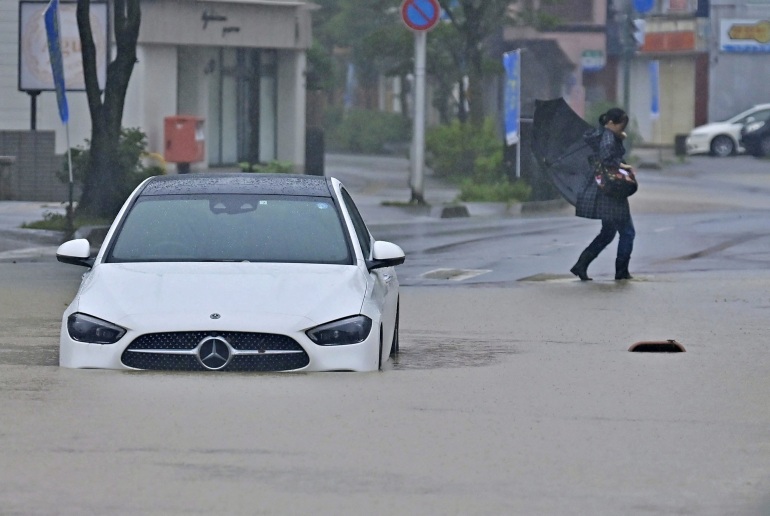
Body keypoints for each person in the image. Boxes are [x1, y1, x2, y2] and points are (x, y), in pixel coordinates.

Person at [571, 107, 636, 281]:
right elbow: (608, 158)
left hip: (604, 191)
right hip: (612, 192)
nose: (623, 129)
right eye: (621, 126)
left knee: (608, 232)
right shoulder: (608, 138)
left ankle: (581, 265)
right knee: (627, 232)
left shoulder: (604, 135)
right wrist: (623, 166)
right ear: (611, 123)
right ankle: (621, 272)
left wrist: (619, 138)